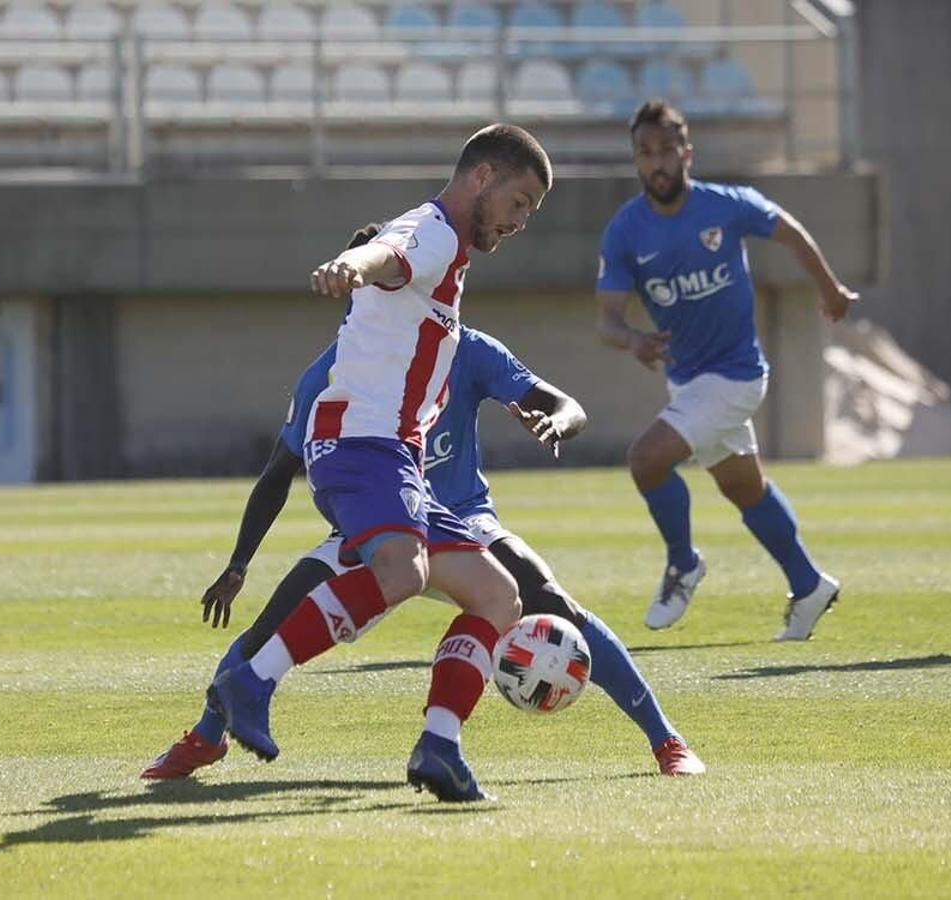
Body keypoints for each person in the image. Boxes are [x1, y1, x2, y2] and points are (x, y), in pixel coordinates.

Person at [142, 310, 706, 782]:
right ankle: (206, 736)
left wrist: (558, 422)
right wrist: (239, 564)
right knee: (273, 622)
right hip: (372, 529)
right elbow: (277, 472)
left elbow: (565, 402)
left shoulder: (460, 348)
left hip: (461, 519)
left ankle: (666, 741)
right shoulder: (329, 374)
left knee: (551, 601)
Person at [204, 124, 552, 802]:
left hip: (398, 459)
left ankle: (440, 747)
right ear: (482, 176)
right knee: (401, 571)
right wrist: (349, 264)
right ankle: (252, 678)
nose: (518, 222)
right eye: (520, 201)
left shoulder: (445, 248)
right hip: (361, 443)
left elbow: (394, 264)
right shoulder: (436, 231)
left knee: (498, 596)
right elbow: (388, 255)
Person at [595, 99, 858, 637]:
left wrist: (828, 287)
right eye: (646, 153)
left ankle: (683, 563)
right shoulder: (625, 232)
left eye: (667, 149)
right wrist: (634, 341)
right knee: (745, 488)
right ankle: (808, 584)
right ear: (636, 161)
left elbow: (790, 231)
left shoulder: (725, 205)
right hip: (688, 379)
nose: (658, 162)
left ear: (687, 153)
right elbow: (608, 321)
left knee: (646, 461)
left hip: (736, 375)